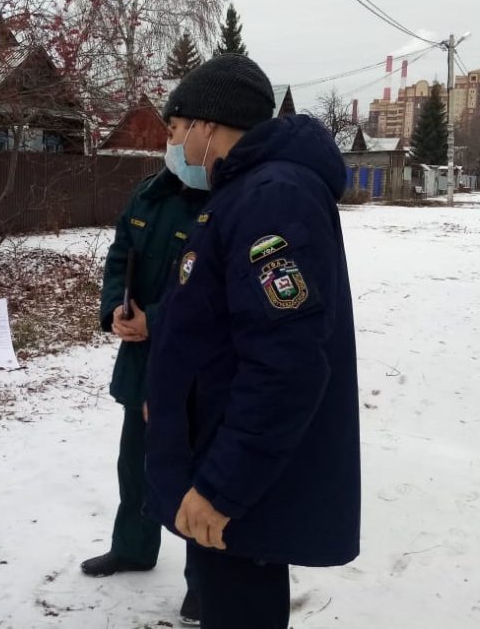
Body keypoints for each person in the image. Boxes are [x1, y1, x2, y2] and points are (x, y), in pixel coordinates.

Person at [145, 55, 361, 629]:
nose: (174, 145)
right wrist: (168, 400)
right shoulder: (243, 192)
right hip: (219, 449)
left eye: (176, 130)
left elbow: (285, 363)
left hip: (235, 476)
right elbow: (216, 324)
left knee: (239, 608)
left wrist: (221, 489)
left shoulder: (272, 197)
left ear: (207, 125)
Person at [81, 167, 207, 625]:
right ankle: (133, 547)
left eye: (179, 133)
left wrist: (154, 318)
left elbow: (210, 289)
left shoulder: (222, 199)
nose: (174, 142)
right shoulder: (149, 194)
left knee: (197, 472)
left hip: (194, 360)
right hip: (142, 358)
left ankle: (205, 583)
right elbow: (120, 258)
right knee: (135, 462)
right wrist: (117, 308)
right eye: (168, 133)